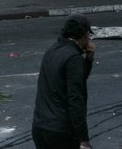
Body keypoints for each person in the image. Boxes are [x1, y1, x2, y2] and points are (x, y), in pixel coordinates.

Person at [32, 14, 95, 149]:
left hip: (40, 127)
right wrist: (83, 140)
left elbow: (75, 79)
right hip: (61, 131)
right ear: (84, 34)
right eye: (88, 35)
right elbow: (76, 99)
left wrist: (88, 60)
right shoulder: (74, 58)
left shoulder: (52, 50)